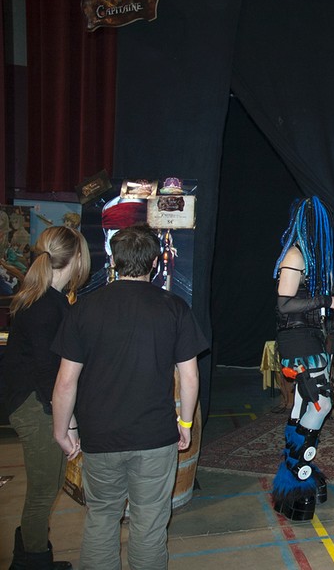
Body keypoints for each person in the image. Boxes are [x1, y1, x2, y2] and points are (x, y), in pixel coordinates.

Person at [51, 225, 208, 570]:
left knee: (101, 517)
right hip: (154, 436)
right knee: (149, 522)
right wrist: (185, 424)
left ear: (113, 260)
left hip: (100, 436)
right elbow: (190, 376)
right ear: (155, 262)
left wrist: (63, 430)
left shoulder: (84, 309)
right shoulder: (174, 308)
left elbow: (65, 382)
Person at [1, 226, 89, 570]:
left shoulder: (44, 298)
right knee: (42, 491)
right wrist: (67, 424)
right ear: (76, 258)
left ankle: (30, 554)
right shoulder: (45, 305)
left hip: (32, 401)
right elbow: (48, 373)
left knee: (46, 485)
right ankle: (34, 561)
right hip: (34, 405)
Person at [270, 197, 334, 521]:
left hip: (309, 339)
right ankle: (298, 469)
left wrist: (328, 306)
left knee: (304, 404)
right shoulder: (295, 255)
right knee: (319, 404)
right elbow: (284, 304)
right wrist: (326, 300)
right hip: (297, 340)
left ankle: (296, 471)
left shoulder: (307, 257)